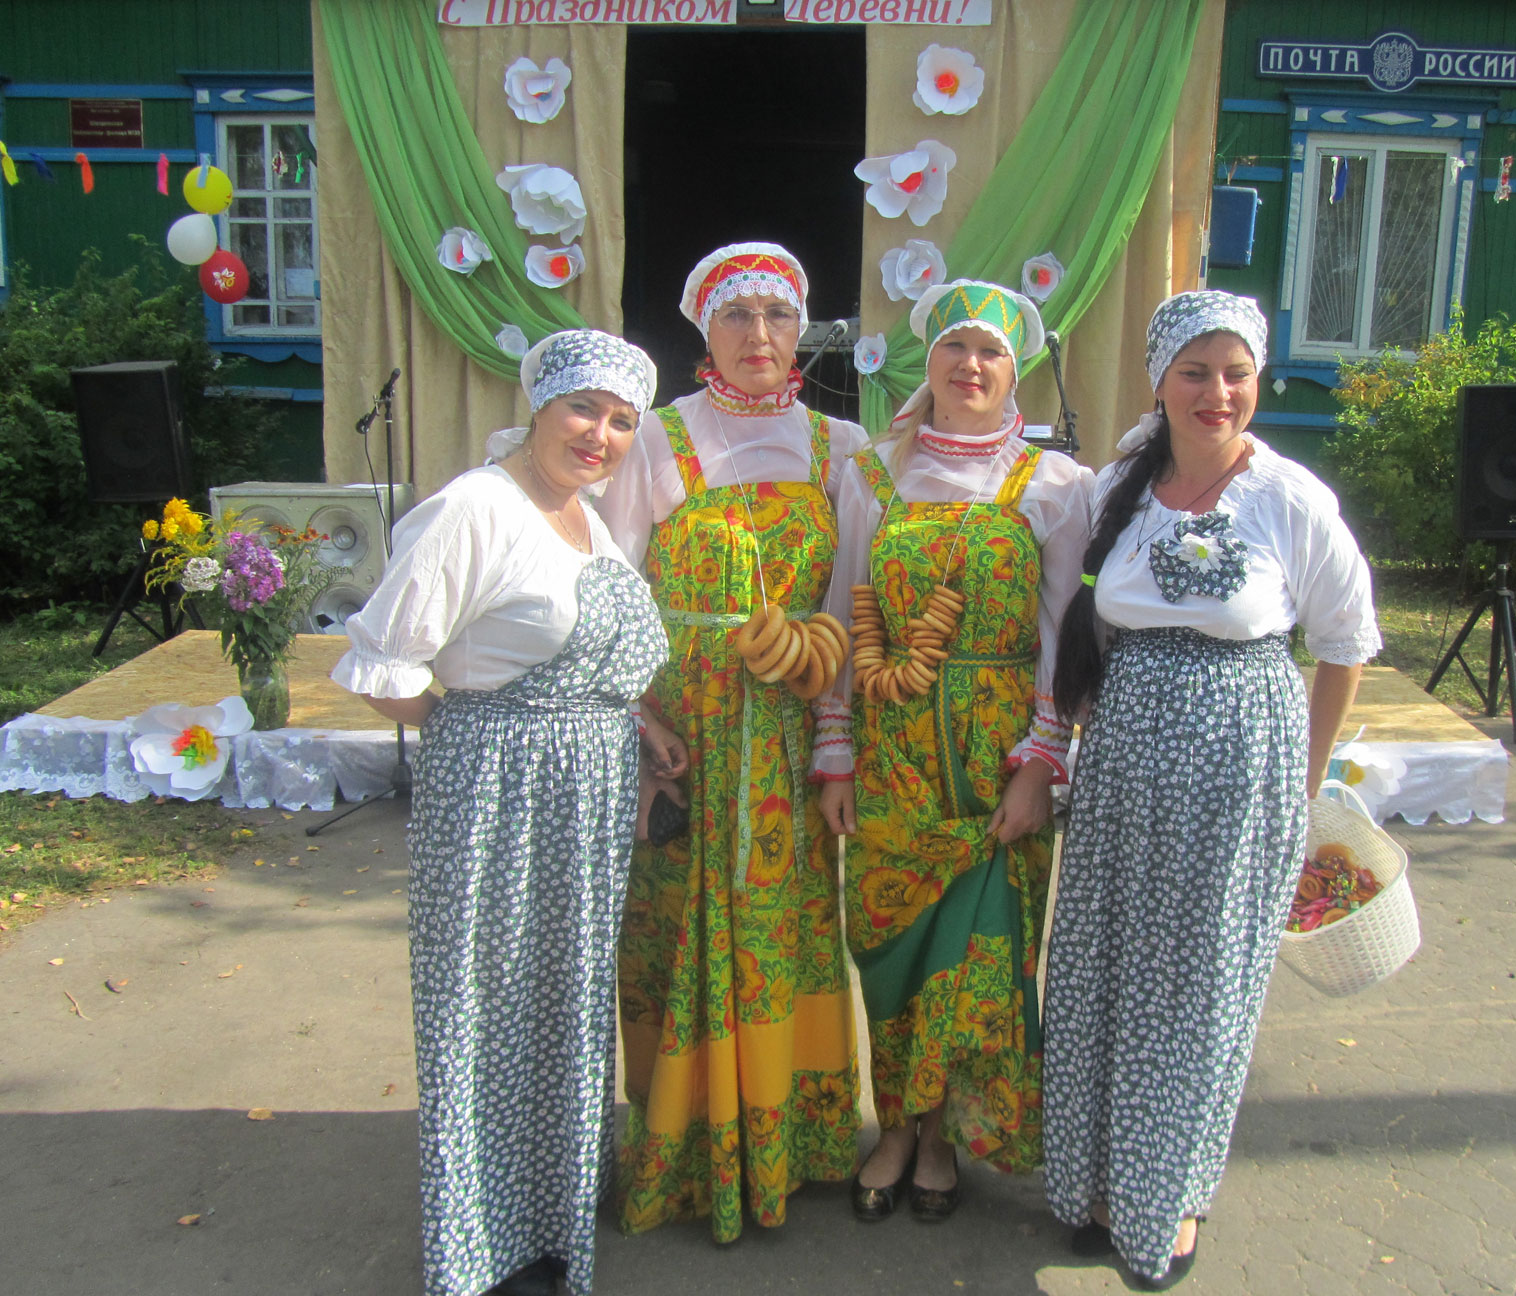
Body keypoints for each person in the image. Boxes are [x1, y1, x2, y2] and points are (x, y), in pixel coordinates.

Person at [1041, 291, 1381, 1291]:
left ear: (1259, 381)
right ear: (1160, 380)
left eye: (1236, 372)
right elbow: (1088, 624)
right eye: (1195, 371)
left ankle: (1171, 1196)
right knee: (1101, 972)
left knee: (1196, 991)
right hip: (1124, 770)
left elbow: (1348, 643)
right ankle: (1096, 1182)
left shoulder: (1289, 497)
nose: (1217, 393)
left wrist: (1303, 780)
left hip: (1241, 767)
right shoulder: (1119, 489)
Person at [331, 330, 676, 1296]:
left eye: (620, 421)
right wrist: (477, 742)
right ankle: (480, 1243)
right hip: (498, 796)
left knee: (560, 1005)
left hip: (590, 795)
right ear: (539, 405)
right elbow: (382, 664)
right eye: (583, 409)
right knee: (484, 1010)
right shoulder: (476, 507)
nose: (599, 435)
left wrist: (640, 728)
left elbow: (575, 643)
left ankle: (550, 1215)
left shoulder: (585, 517)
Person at [594, 242, 869, 1242]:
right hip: (686, 744)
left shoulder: (843, 446)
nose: (761, 335)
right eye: (738, 315)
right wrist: (636, 717)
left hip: (788, 751)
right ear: (702, 328)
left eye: (780, 315)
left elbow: (845, 613)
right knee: (673, 938)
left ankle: (786, 1144)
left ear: (804, 329)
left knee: (786, 935)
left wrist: (833, 749)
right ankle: (680, 1143)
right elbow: (612, 589)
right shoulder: (658, 441)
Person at [817, 280, 1093, 1222]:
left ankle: (941, 1137)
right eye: (955, 350)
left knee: (979, 958)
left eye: (992, 354)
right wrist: (836, 748)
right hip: (892, 755)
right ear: (924, 363)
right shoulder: (869, 476)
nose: (970, 368)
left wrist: (1040, 762)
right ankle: (893, 1122)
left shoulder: (1055, 487)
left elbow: (1064, 634)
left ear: (1017, 373)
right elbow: (841, 610)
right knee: (885, 947)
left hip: (995, 766)